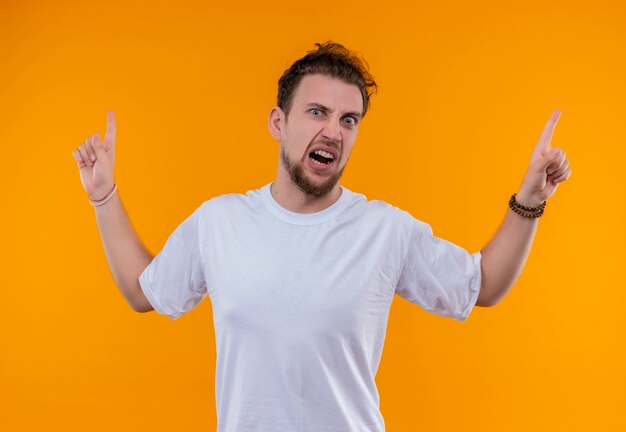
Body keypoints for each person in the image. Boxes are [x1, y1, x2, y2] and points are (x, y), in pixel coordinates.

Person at [71, 41, 571, 431]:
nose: (333, 130)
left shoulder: (384, 229)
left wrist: (530, 198)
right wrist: (103, 195)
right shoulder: (219, 222)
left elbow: (482, 285)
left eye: (347, 119)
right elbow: (143, 291)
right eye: (317, 112)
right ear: (278, 121)